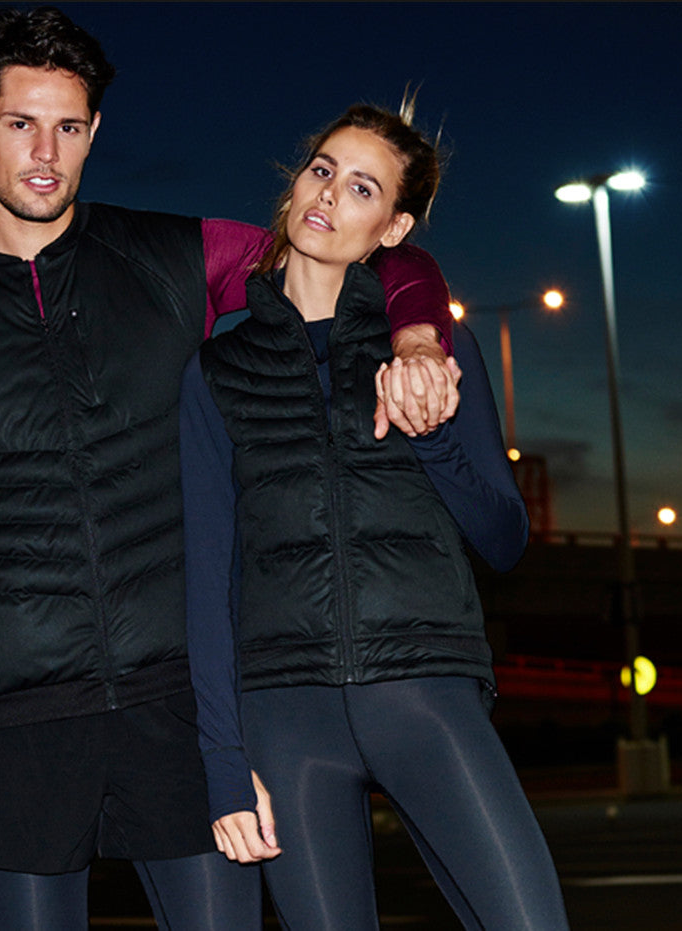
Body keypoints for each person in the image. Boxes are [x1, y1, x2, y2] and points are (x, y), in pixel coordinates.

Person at [0, 7, 462, 928]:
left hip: (178, 703)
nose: (45, 154)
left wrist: (416, 331)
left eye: (68, 127)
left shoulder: (169, 257)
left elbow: (359, 242)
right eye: (20, 123)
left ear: (95, 131)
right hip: (13, 718)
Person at [180, 103, 570, 930]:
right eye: (322, 170)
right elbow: (209, 574)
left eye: (362, 188)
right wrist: (222, 759)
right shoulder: (216, 370)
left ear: (392, 228)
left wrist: (431, 433)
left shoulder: (430, 352)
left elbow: (504, 539)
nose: (328, 194)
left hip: (426, 693)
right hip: (285, 716)